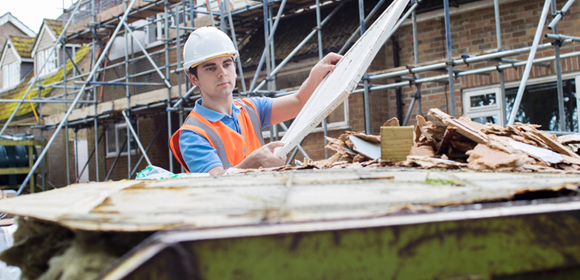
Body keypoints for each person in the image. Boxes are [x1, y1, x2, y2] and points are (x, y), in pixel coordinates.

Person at [170, 26, 342, 175]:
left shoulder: (251, 108)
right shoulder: (193, 134)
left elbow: (299, 101)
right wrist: (254, 161)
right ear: (194, 79)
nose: (222, 73)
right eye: (210, 68)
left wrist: (316, 75)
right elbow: (216, 182)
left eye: (227, 64)